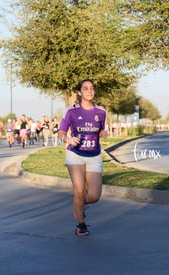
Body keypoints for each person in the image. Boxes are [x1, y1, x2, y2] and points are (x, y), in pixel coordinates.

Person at [58, 79, 107, 236]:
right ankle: (80, 224)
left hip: (94, 155)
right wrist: (68, 139)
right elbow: (61, 133)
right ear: (79, 92)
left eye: (92, 88)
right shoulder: (71, 111)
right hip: (75, 155)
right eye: (85, 88)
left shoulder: (101, 112)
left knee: (94, 196)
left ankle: (78, 207)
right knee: (79, 191)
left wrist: (102, 133)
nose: (90, 91)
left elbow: (99, 130)